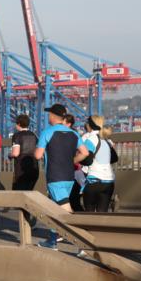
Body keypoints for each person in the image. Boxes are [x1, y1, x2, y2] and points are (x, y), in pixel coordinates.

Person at [34, 104, 90, 249]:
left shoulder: (47, 132)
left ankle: (85, 243)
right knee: (54, 208)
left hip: (55, 176)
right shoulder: (74, 133)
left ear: (52, 116)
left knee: (65, 210)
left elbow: (38, 155)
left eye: (49, 114)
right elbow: (85, 153)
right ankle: (52, 240)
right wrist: (72, 161)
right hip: (69, 176)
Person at [81, 115, 117, 213]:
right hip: (109, 181)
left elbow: (87, 160)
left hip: (94, 181)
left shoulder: (91, 138)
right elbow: (114, 158)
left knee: (90, 212)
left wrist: (77, 159)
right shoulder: (106, 139)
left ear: (90, 125)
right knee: (102, 212)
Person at [10, 114, 39, 191]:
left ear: (18, 124)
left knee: (18, 195)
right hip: (34, 169)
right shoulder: (34, 135)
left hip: (21, 171)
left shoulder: (17, 136)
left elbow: (16, 153)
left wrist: (10, 155)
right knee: (29, 193)